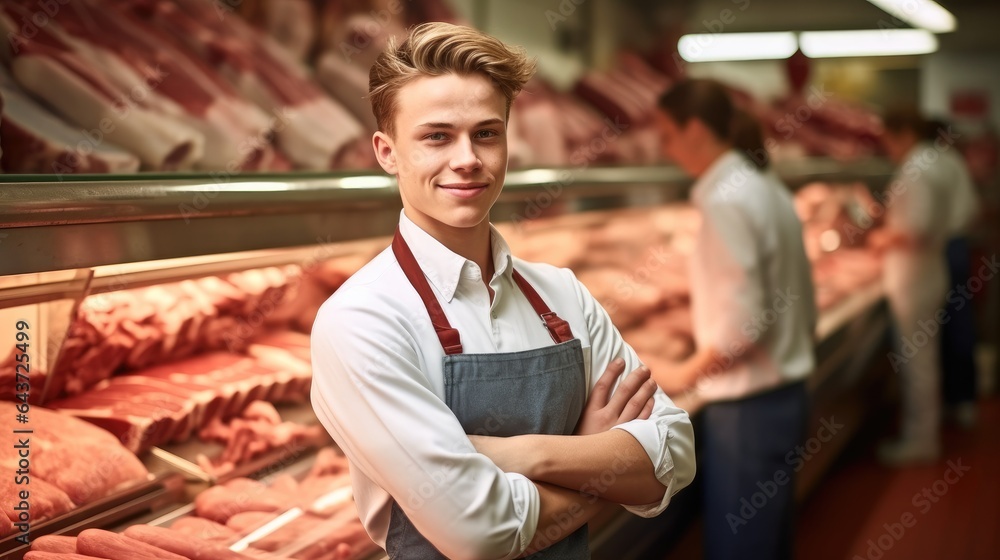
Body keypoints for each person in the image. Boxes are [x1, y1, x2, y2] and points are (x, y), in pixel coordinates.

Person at [310, 22, 696, 559]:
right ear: (387, 151)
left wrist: (528, 455)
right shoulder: (361, 319)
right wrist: (598, 462)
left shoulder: (562, 294)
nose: (467, 158)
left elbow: (675, 455)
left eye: (486, 133)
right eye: (436, 136)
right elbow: (480, 534)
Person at [652, 79, 817, 560]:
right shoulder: (765, 187)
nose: (664, 149)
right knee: (769, 536)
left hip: (748, 408)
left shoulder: (726, 199)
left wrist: (683, 373)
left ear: (696, 129)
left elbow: (741, 323)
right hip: (784, 394)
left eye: (667, 134)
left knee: (743, 546)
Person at [871, 107, 957, 464]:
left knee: (917, 362)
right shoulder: (931, 162)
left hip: (916, 278)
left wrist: (884, 238)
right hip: (924, 273)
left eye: (888, 140)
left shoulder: (917, 167)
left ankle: (921, 441)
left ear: (903, 133)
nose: (887, 148)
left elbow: (917, 229)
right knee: (922, 359)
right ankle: (923, 434)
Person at [924, 117, 980, 429]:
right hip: (952, 245)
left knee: (948, 325)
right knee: (955, 322)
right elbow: (971, 209)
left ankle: (956, 400)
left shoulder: (932, 165)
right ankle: (961, 400)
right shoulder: (952, 162)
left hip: (945, 248)